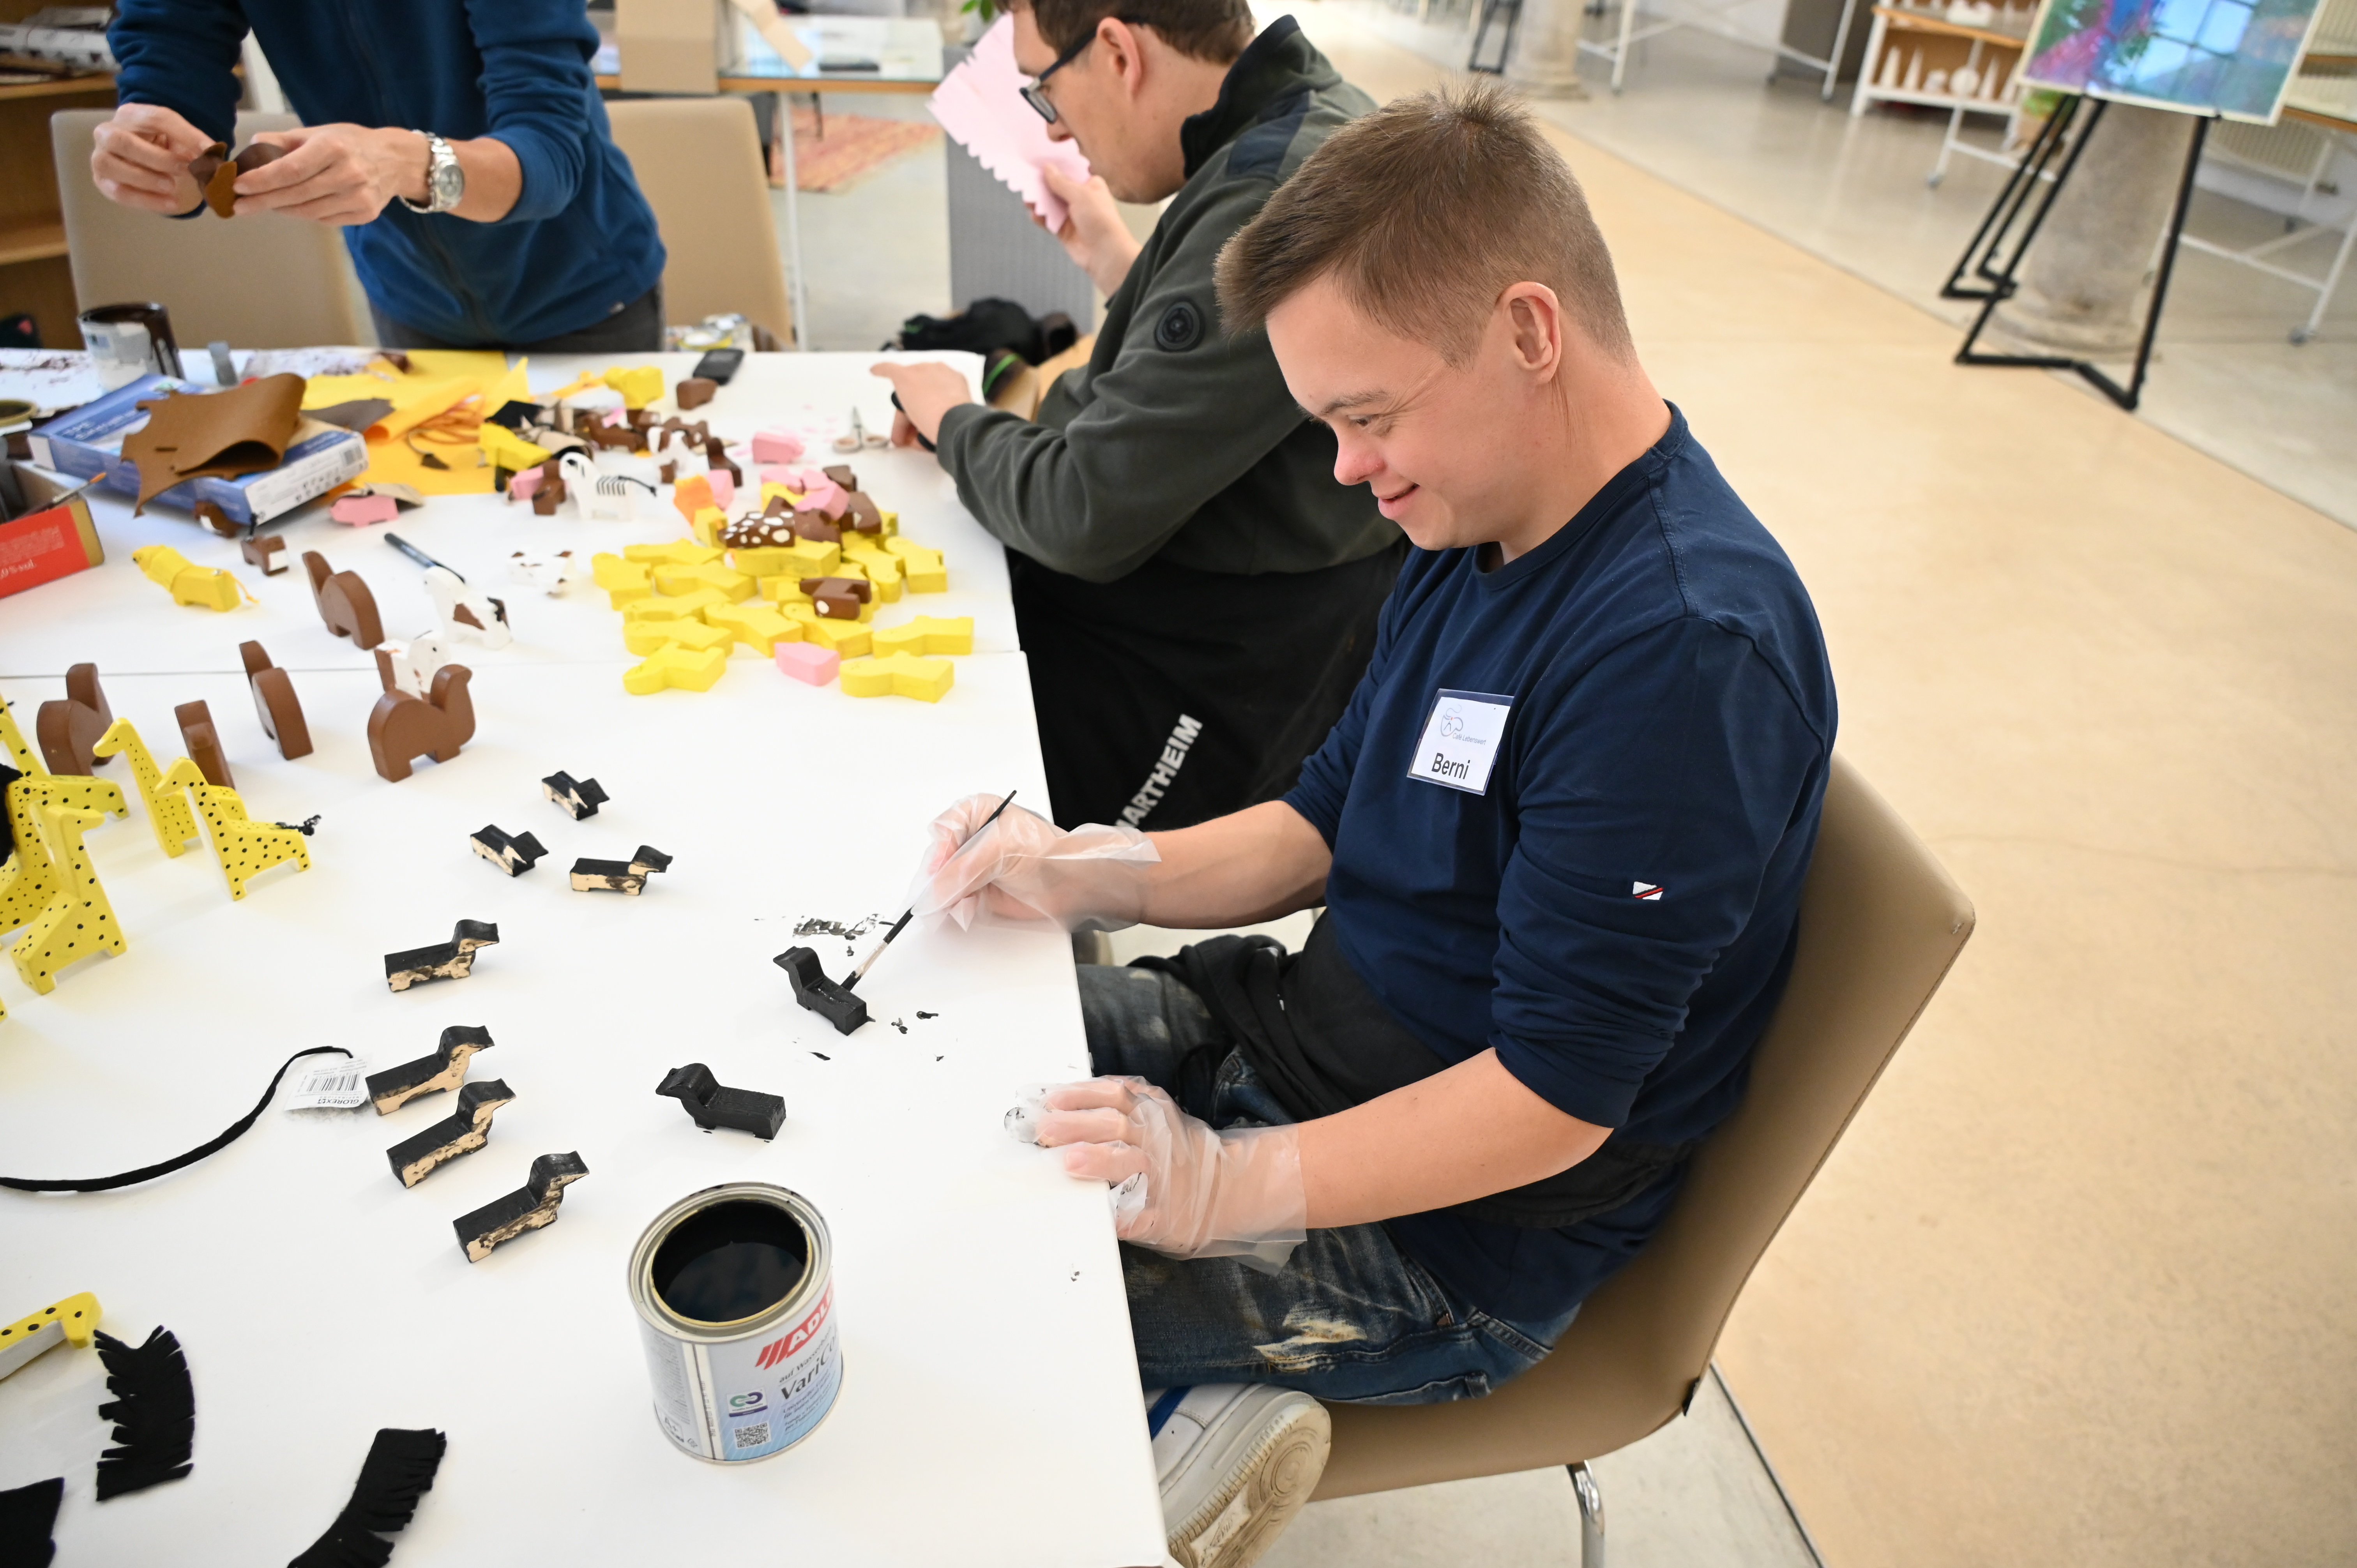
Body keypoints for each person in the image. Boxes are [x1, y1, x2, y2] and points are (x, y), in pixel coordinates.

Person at [907, 84, 1837, 1568]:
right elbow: (1323, 818)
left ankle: (1163, 1420)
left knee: (945, 1287)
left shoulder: (1677, 651)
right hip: (1290, 1047)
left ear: (1527, 331)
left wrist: (1225, 1186)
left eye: (1367, 415)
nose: (1345, 468)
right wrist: (1088, 870)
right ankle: (1181, 1405)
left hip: (1447, 1243)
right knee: (913, 1049)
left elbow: (1552, 1096)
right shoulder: (1474, 515)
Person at [873, 0, 1403, 833]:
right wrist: (1126, 269)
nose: (1054, 129)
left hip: (1203, 670)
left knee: (919, 777)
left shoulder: (1271, 196)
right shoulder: (1308, 120)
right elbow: (1255, 371)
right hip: (1215, 615)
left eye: (1045, 90)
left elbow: (1082, 510)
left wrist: (954, 419)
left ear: (1119, 52)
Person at [94, 0, 667, 353]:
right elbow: (172, 64)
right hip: (409, 294)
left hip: (582, 288)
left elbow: (548, 156)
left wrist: (408, 164)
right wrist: (153, 151)